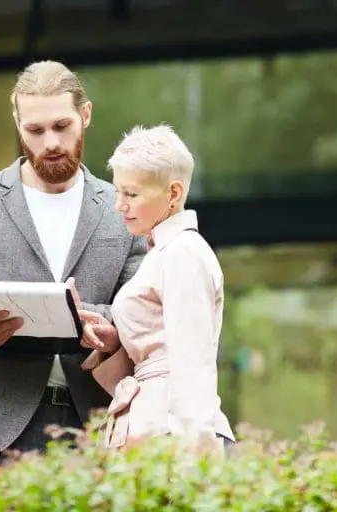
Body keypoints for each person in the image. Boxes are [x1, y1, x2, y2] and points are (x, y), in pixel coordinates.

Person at [0, 60, 147, 496]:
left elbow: (143, 306)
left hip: (100, 429)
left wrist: (110, 330)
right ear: (17, 123)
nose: (51, 143)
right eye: (35, 130)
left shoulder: (124, 209)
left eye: (62, 125)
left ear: (87, 115)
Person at [76, 124, 235, 452]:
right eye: (118, 192)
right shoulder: (162, 252)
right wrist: (113, 340)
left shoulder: (183, 252)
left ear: (174, 193)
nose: (119, 205)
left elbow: (192, 363)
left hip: (174, 437)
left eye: (131, 194)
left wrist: (199, 464)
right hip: (157, 428)